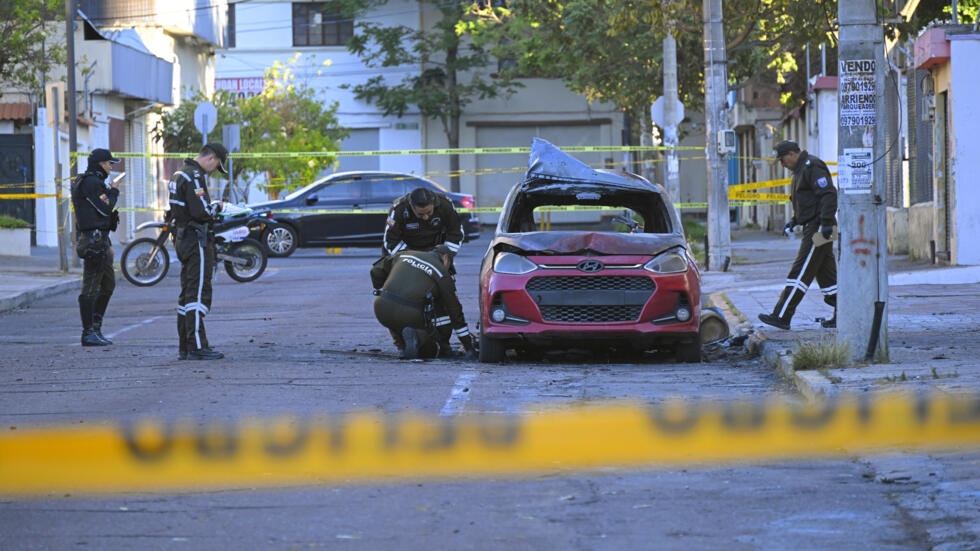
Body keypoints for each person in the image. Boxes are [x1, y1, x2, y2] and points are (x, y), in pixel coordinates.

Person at [759, 140, 838, 330]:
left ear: (793, 154)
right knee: (827, 275)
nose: (782, 164)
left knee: (800, 271)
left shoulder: (812, 165)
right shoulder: (800, 170)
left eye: (783, 159)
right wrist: (795, 221)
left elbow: (828, 194)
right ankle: (845, 312)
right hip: (816, 225)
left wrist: (826, 222)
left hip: (820, 228)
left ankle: (782, 315)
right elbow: (808, 201)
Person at [169, 143, 229, 360]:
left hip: (183, 238)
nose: (214, 170)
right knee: (198, 293)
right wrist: (219, 207)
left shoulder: (179, 174)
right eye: (216, 166)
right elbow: (201, 211)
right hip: (196, 241)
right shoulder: (194, 176)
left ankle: (185, 346)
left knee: (187, 293)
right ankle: (196, 347)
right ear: (211, 157)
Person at [371, 244, 477, 360]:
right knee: (431, 349)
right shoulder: (442, 273)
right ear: (446, 258)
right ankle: (419, 338)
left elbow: (375, 270)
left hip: (381, 307)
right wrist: (468, 346)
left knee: (394, 313)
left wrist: (383, 285)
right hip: (409, 314)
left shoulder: (404, 254)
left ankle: (401, 347)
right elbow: (455, 311)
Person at [71, 148, 122, 346]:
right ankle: (88, 332)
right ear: (101, 164)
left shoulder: (95, 182)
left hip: (101, 240)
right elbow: (105, 207)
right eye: (110, 163)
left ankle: (96, 327)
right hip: (92, 241)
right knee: (90, 287)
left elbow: (102, 212)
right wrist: (114, 190)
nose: (111, 166)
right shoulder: (91, 183)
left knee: (108, 284)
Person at [382, 187, 464, 258]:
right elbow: (390, 240)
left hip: (435, 250)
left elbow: (456, 233)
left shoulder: (445, 204)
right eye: (420, 214)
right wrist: (410, 257)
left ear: (434, 204)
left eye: (429, 212)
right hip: (405, 251)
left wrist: (444, 253)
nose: (425, 217)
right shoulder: (398, 209)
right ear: (412, 207)